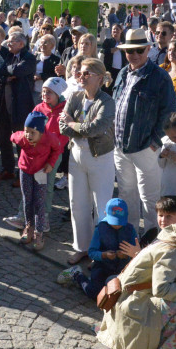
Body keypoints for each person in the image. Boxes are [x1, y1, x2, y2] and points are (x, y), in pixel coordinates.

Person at [112, 28, 176, 233]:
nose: (134, 55)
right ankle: (131, 237)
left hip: (145, 147)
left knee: (150, 197)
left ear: (148, 49)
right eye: (130, 51)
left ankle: (152, 239)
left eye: (139, 50)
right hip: (121, 147)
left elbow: (169, 113)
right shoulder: (123, 73)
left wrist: (154, 142)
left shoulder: (159, 77)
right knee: (126, 194)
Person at [57, 58, 115, 263]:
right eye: (79, 73)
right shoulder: (75, 96)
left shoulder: (106, 101)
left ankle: (101, 253)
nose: (81, 77)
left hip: (100, 158)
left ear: (100, 77)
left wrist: (73, 124)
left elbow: (96, 128)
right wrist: (75, 125)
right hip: (76, 156)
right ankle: (82, 247)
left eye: (86, 73)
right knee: (78, 203)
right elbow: (62, 125)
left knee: (102, 207)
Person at [57, 197, 136, 301]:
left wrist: (128, 254)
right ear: (105, 214)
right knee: (94, 293)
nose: (117, 226)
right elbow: (91, 252)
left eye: (120, 223)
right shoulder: (100, 229)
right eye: (114, 222)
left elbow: (137, 252)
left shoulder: (130, 230)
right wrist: (104, 255)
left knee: (123, 295)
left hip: (122, 269)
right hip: (102, 267)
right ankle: (77, 275)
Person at [10, 112, 63, 251]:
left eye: (32, 133)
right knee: (27, 199)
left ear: (41, 132)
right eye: (27, 131)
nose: (28, 135)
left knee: (39, 201)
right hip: (25, 171)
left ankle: (39, 233)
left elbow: (57, 149)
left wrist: (51, 164)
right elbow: (13, 136)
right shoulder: (22, 137)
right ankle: (28, 227)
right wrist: (18, 135)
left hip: (41, 172)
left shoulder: (49, 138)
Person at [0, 32, 36, 184]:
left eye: (11, 42)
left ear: (21, 44)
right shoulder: (8, 56)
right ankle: (7, 169)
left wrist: (9, 71)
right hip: (4, 103)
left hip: (20, 105)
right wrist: (7, 75)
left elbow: (19, 71)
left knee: (21, 141)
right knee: (4, 138)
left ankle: (22, 173)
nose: (7, 44)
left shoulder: (29, 58)